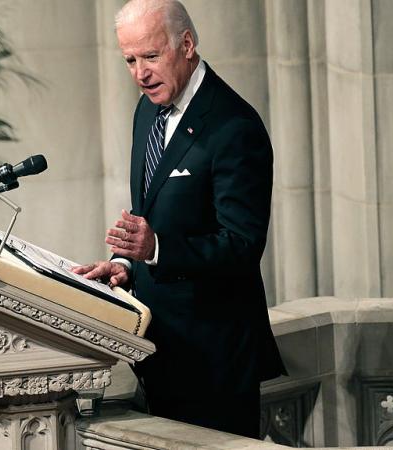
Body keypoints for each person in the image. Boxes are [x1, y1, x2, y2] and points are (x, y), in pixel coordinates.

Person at [72, 0, 286, 438]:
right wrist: (126, 262)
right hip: (155, 348)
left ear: (186, 44)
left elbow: (242, 245)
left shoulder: (234, 127)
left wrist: (158, 249)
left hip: (214, 360)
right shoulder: (147, 108)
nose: (139, 73)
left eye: (150, 56)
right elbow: (150, 214)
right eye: (130, 60)